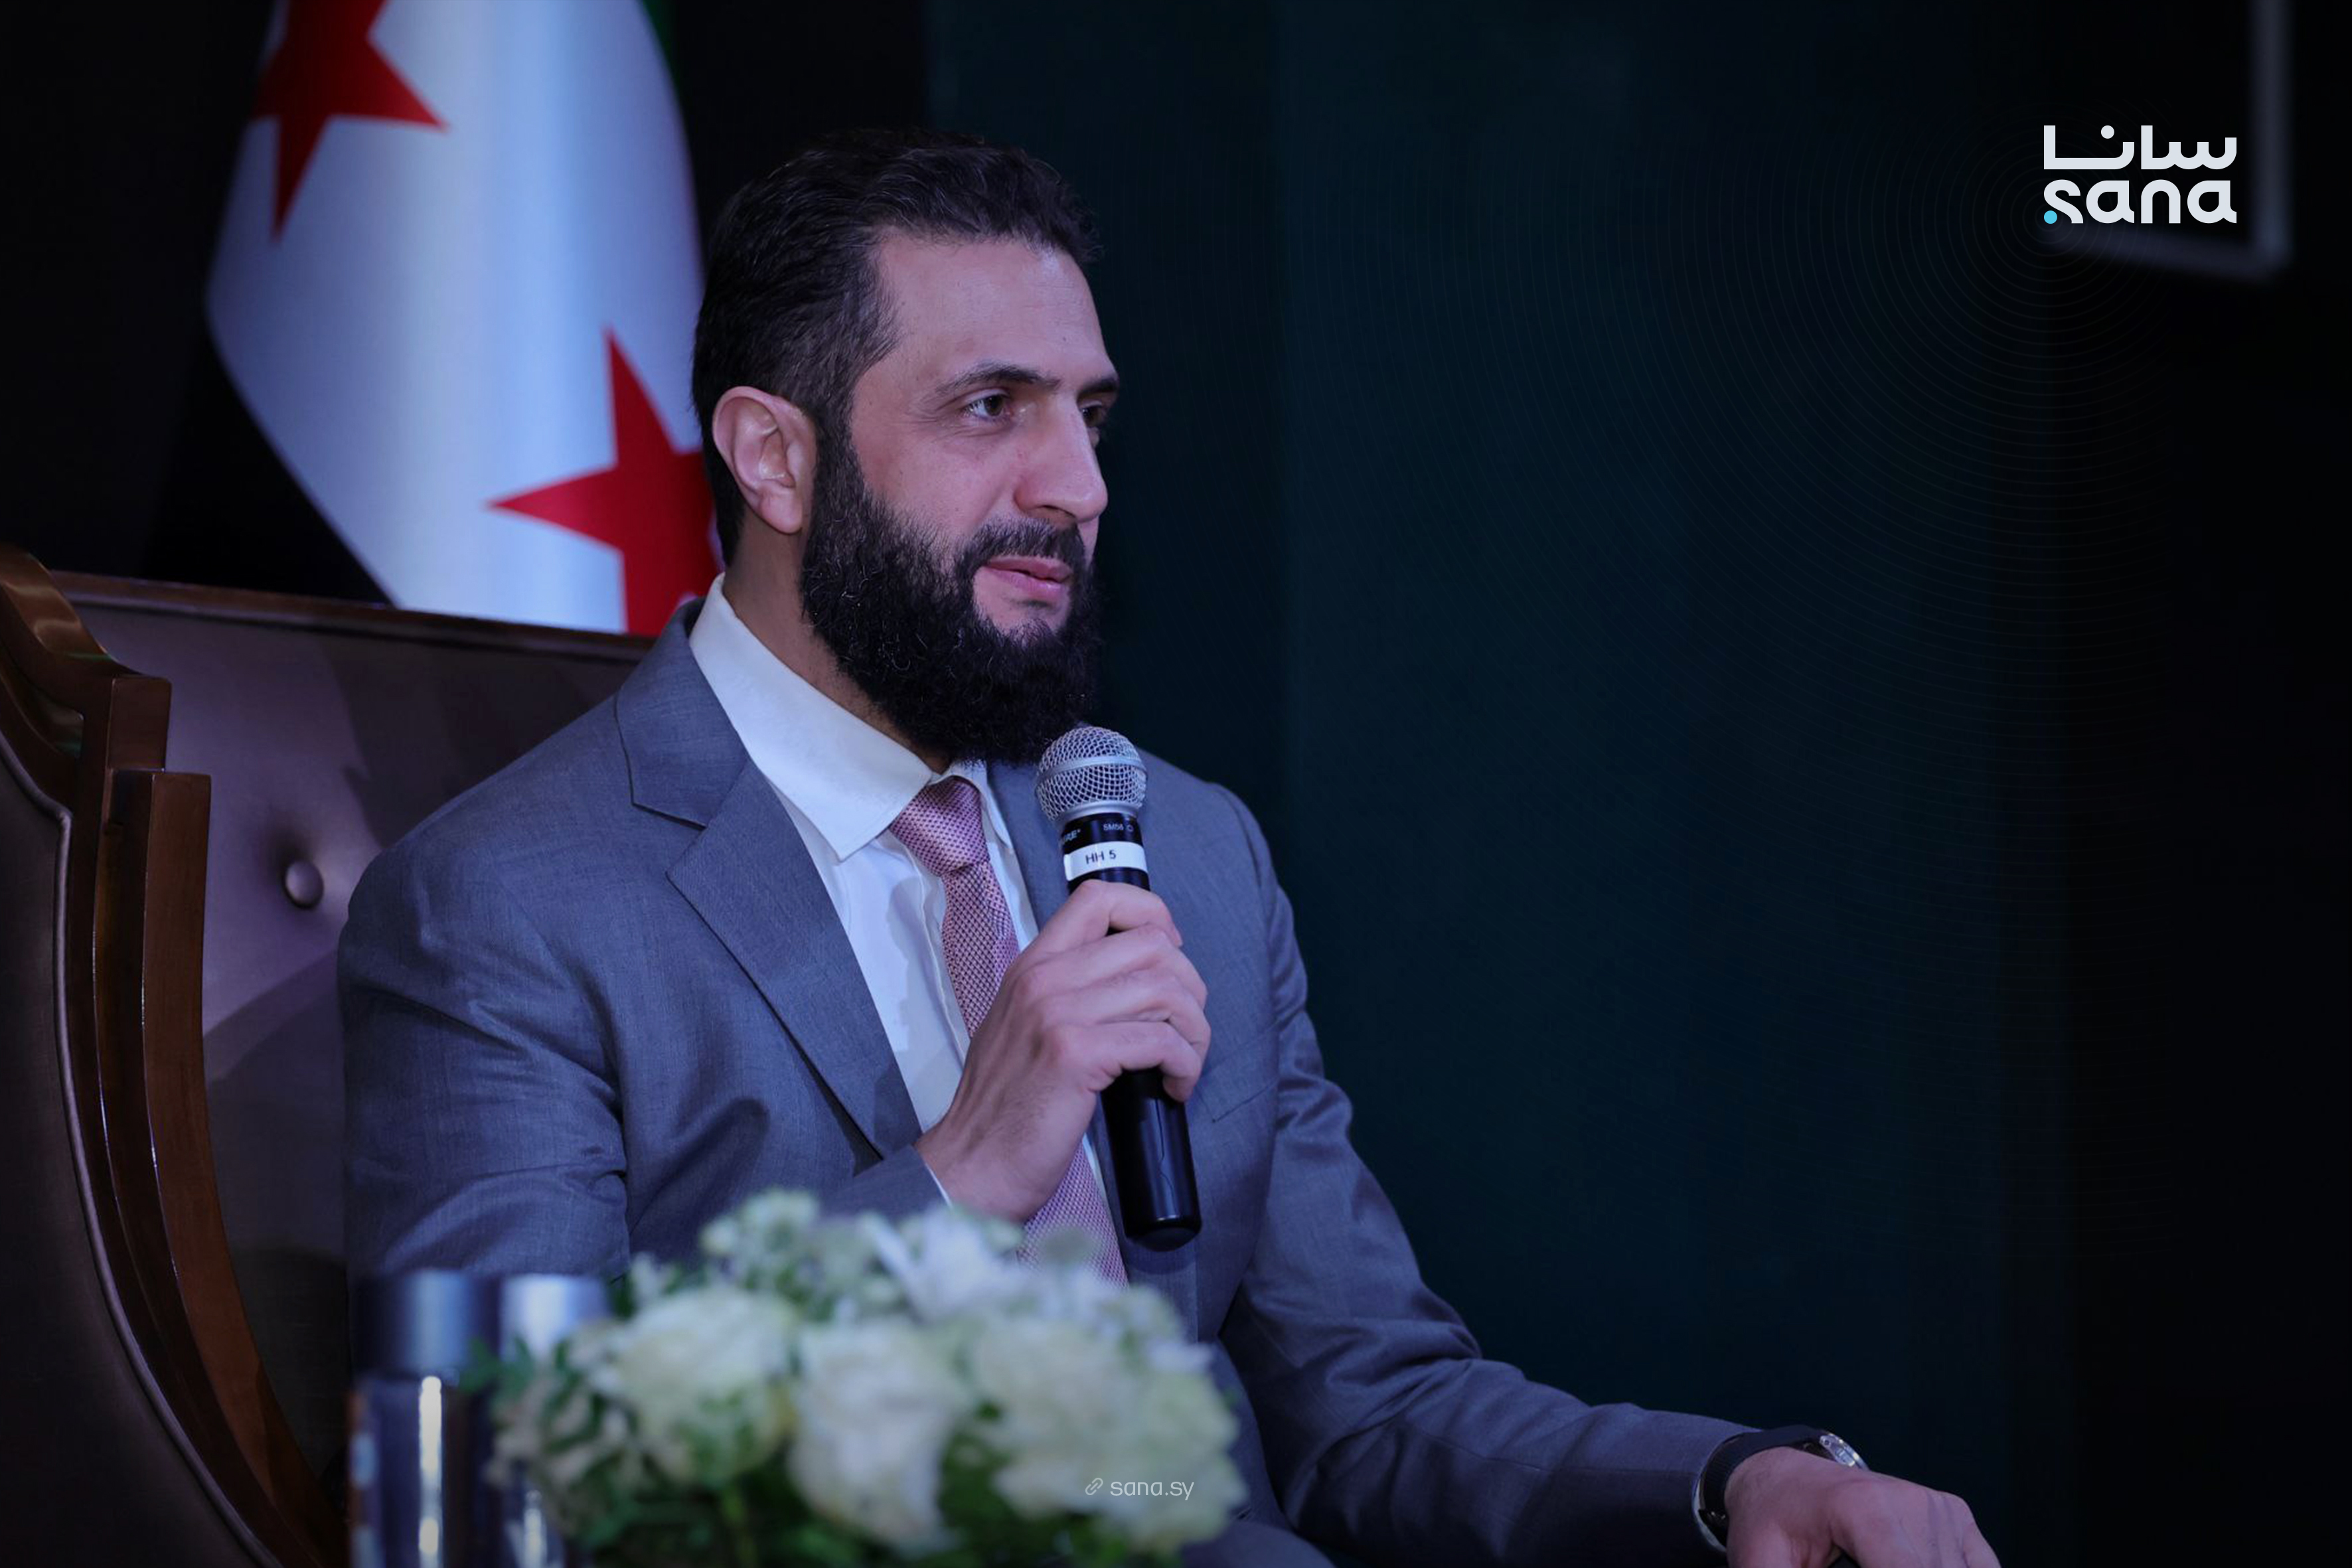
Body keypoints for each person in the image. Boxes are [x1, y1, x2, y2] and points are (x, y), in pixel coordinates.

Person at [342, 127, 1999, 1568]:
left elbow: (1370, 1400)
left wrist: (1736, 1481)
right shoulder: (507, 903)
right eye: (990, 407)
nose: (1076, 484)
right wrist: (959, 1178)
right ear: (775, 455)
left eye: (1089, 414)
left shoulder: (1181, 848)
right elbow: (497, 1498)